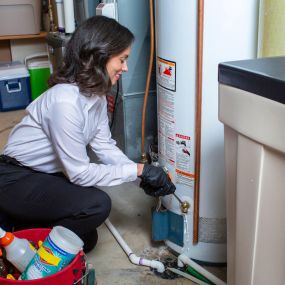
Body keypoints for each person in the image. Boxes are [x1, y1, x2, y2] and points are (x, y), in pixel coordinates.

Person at [0, 16, 175, 252]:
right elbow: (79, 173)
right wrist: (138, 169)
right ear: (99, 55)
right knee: (96, 205)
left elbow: (104, 146)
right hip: (14, 179)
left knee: (87, 238)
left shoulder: (96, 96)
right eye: (122, 59)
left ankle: (27, 225)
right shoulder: (65, 101)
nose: (125, 68)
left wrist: (139, 179)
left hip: (45, 175)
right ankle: (12, 226)